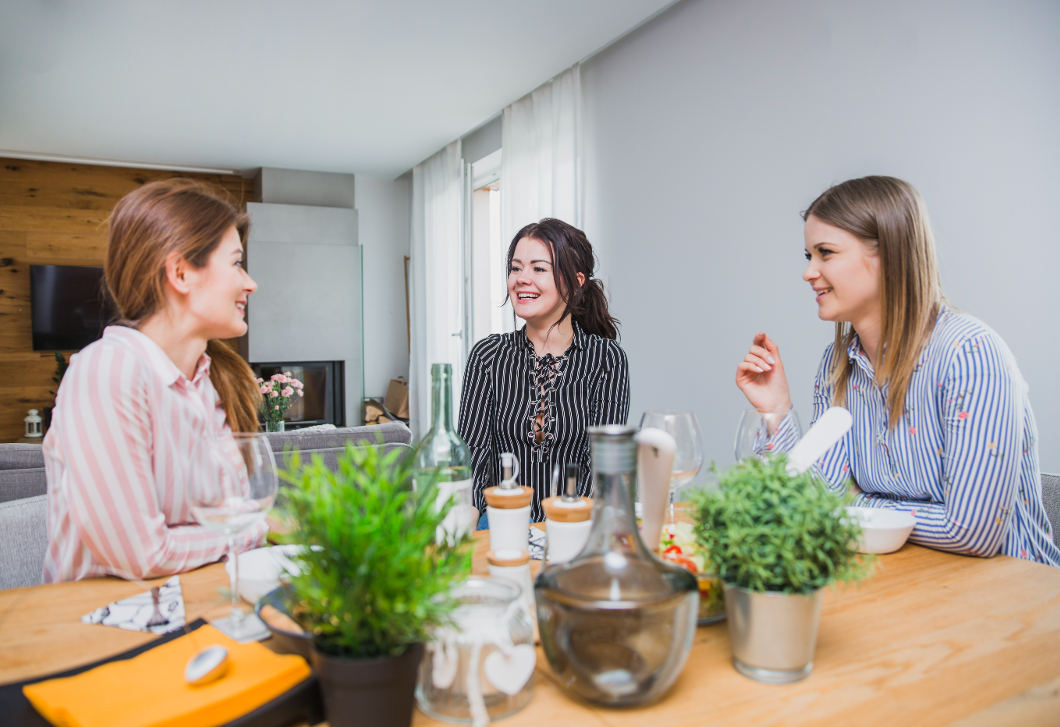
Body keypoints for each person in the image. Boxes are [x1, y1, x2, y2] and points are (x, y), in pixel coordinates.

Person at [737, 176, 1058, 565]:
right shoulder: (837, 365)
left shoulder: (970, 354)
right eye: (809, 256)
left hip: (1011, 596)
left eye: (825, 253)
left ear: (888, 254)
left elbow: (972, 533)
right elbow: (813, 503)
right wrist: (777, 411)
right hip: (911, 580)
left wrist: (858, 502)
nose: (809, 272)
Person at [42, 179, 268, 583]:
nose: (250, 283)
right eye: (236, 262)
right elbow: (143, 555)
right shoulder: (107, 372)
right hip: (106, 631)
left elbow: (228, 514)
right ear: (181, 273)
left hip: (199, 610)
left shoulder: (211, 382)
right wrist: (256, 530)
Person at [459, 218, 630, 524]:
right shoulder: (487, 356)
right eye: (515, 268)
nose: (522, 279)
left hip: (577, 525)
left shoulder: (606, 359)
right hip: (501, 527)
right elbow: (472, 459)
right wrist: (462, 534)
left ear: (576, 281)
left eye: (538, 268)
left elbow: (604, 469)